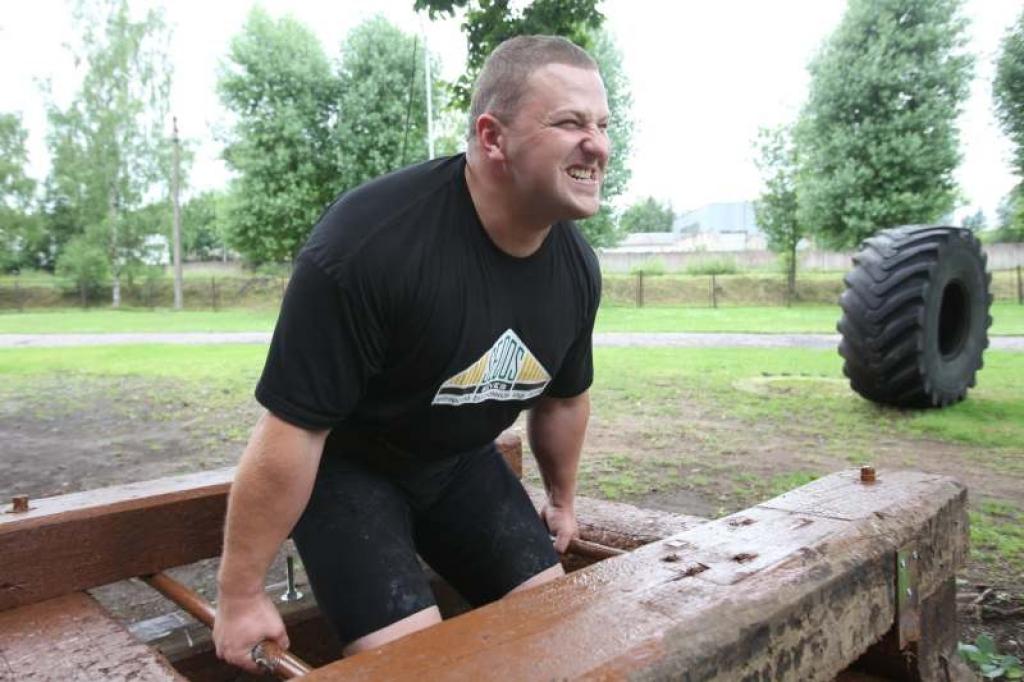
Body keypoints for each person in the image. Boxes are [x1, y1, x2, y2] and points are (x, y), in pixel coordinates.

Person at [213, 34, 610, 673]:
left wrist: (561, 500)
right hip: (349, 472)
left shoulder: (576, 270)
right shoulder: (368, 247)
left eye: (602, 124)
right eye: (570, 122)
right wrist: (240, 594)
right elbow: (292, 431)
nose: (598, 144)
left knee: (555, 635)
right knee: (417, 669)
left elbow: (565, 397)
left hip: (459, 465)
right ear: (491, 137)